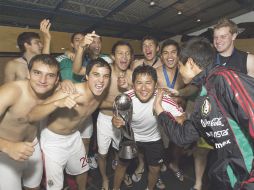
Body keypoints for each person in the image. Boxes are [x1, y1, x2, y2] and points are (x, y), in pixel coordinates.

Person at [154, 37, 254, 190]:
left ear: (191, 63)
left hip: (248, 175)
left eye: (180, 66)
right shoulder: (203, 95)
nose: (179, 72)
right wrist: (160, 110)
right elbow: (183, 137)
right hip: (231, 176)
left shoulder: (225, 79)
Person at [28, 58, 111, 190]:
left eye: (106, 76)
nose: (101, 80)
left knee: (83, 171)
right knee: (55, 186)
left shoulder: (100, 93)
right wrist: (57, 103)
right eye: (96, 75)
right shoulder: (71, 92)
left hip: (74, 137)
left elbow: (105, 104)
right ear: (87, 76)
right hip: (53, 142)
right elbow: (32, 114)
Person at [112, 65, 183, 190]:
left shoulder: (163, 99)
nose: (143, 88)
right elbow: (116, 117)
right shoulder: (125, 98)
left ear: (156, 85)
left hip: (154, 139)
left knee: (155, 169)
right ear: (133, 85)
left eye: (148, 83)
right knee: (121, 164)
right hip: (131, 137)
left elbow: (182, 116)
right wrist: (115, 121)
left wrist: (178, 120)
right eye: (139, 83)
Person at [0, 54, 60, 190]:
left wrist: (68, 83)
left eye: (50, 75)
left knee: (34, 187)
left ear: (57, 80)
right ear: (28, 73)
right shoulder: (12, 91)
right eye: (37, 73)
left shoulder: (52, 91)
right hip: (4, 153)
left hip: (32, 147)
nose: (43, 80)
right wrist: (7, 147)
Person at [95, 40, 133, 190]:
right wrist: (115, 106)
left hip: (124, 120)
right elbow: (95, 102)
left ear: (131, 57)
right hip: (104, 119)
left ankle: (120, 177)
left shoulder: (131, 75)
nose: (124, 57)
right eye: (120, 53)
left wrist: (128, 87)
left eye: (127, 54)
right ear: (113, 56)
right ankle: (104, 178)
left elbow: (140, 98)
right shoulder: (105, 74)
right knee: (103, 154)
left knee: (122, 153)